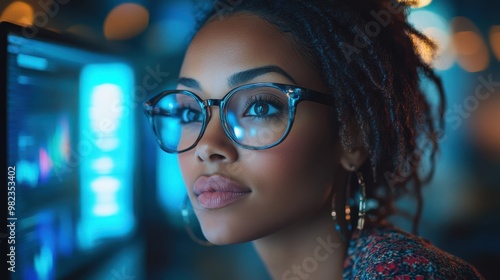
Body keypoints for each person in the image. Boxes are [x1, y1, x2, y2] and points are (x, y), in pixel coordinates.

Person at [143, 0, 484, 278]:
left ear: (354, 136)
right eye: (190, 113)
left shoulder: (407, 273)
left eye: (260, 107)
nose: (207, 145)